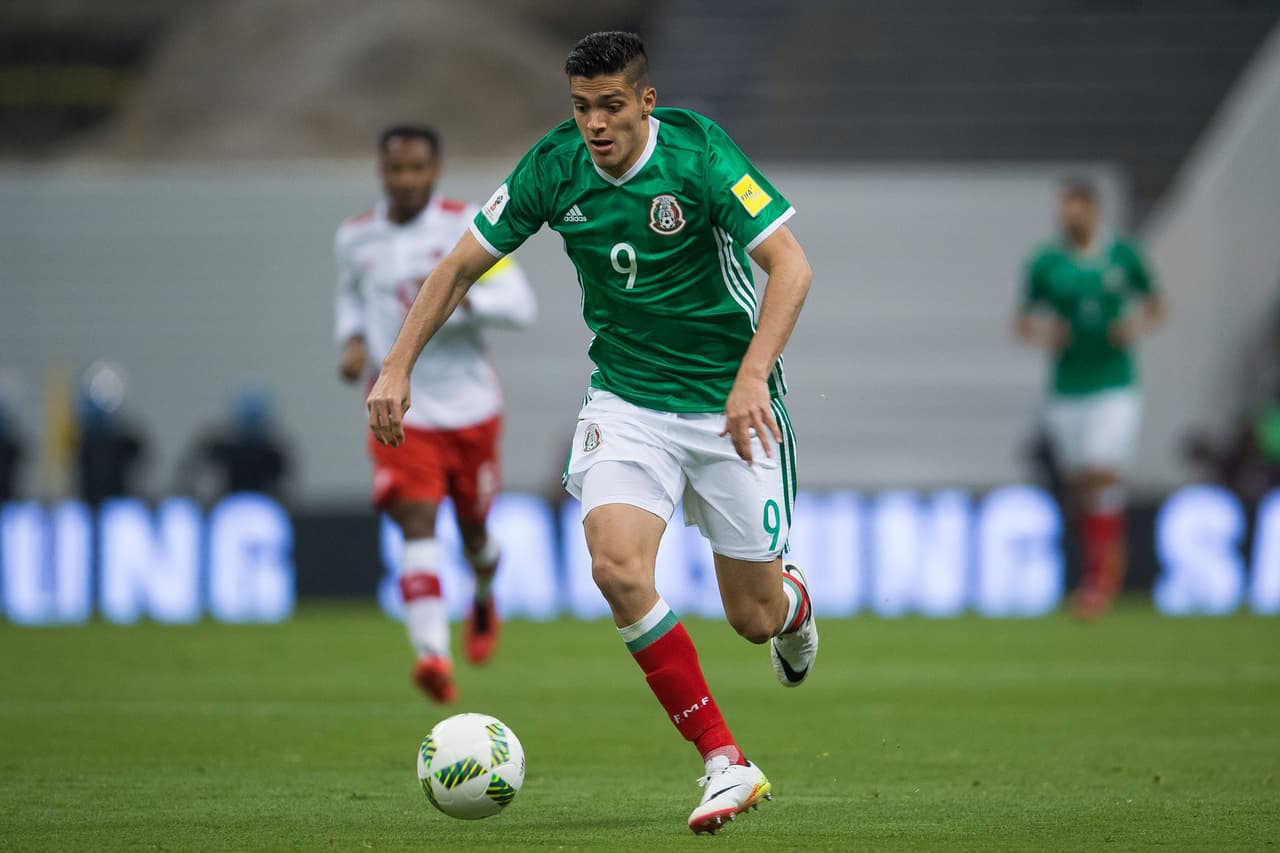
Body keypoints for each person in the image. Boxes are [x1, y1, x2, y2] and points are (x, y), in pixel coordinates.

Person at [367, 32, 817, 835]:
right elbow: (458, 266)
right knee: (614, 565)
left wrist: (753, 376)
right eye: (582, 109)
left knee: (752, 615)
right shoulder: (553, 166)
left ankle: (793, 609)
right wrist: (397, 365)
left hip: (727, 405)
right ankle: (725, 759)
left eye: (611, 106)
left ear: (644, 101)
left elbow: (792, 265)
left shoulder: (700, 155)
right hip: (628, 404)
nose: (596, 125)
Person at [335, 124, 536, 703]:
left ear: (435, 170)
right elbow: (350, 294)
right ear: (382, 172)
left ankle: (483, 587)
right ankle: (433, 657)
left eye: (416, 169)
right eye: (395, 170)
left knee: (474, 532)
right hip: (401, 405)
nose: (405, 181)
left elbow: (520, 306)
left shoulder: (465, 227)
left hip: (471, 408)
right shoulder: (355, 238)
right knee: (416, 520)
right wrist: (351, 339)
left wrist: (465, 297)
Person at [1014, 178, 1166, 619]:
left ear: (1093, 210)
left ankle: (1101, 576)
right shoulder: (1046, 264)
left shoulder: (1123, 257)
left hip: (1114, 384)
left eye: (1074, 207)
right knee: (1082, 483)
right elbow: (1023, 322)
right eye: (1063, 207)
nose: (1067, 215)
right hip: (1066, 387)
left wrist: (1133, 328)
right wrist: (1048, 334)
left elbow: (1156, 304)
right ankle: (1101, 559)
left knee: (1101, 468)